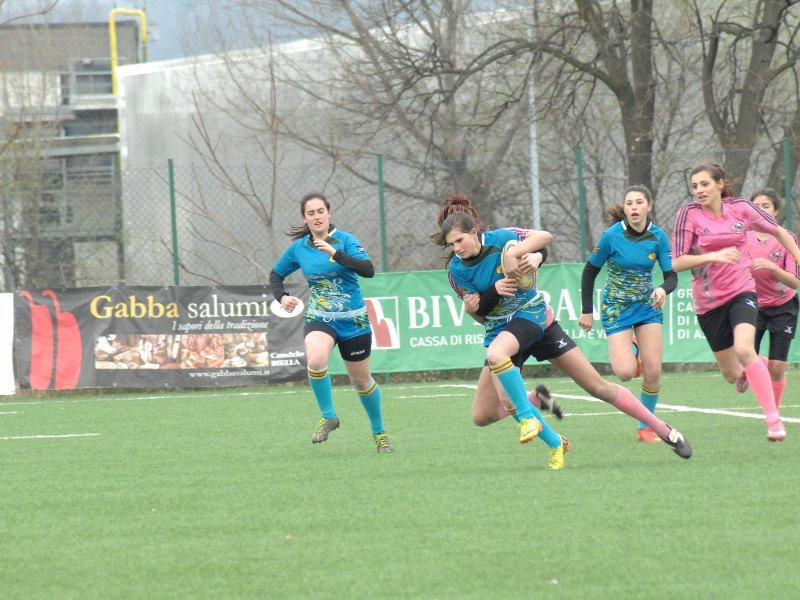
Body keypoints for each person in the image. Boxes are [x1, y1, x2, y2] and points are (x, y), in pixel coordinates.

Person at [434, 194, 692, 470]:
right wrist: (473, 306)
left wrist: (525, 255)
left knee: (599, 388)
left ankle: (664, 430)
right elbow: (480, 315)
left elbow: (543, 237)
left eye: (460, 241)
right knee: (483, 415)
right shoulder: (457, 272)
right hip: (501, 328)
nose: (457, 248)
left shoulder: (503, 238)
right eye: (451, 244)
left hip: (533, 320)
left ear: (474, 232)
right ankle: (542, 417)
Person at [672, 163, 800, 442]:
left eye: (705, 184)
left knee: (744, 347)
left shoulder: (741, 208)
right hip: (708, 302)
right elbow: (677, 261)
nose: (699, 191)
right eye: (695, 186)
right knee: (732, 374)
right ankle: (756, 367)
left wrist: (799, 258)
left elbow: (779, 231)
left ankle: (773, 421)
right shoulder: (689, 215)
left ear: (720, 184)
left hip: (742, 290)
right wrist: (712, 257)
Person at [270, 192, 393, 452]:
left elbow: (368, 270)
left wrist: (336, 254)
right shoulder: (299, 248)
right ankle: (329, 416)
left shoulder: (345, 241)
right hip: (321, 318)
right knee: (315, 359)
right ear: (305, 218)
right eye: (311, 213)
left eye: (320, 211)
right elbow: (276, 274)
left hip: (354, 321)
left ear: (329, 214)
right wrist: (281, 297)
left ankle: (379, 433)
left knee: (361, 381)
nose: (316, 216)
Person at [579, 186, 677, 443]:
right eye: (629, 203)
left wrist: (663, 289)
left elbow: (671, 276)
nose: (633, 207)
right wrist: (586, 311)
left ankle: (645, 427)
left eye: (638, 202)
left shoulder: (658, 237)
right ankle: (634, 346)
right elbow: (590, 271)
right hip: (616, 307)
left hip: (647, 307)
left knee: (654, 371)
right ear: (625, 209)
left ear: (649, 206)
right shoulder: (612, 235)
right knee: (624, 372)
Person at [747, 188, 800, 412]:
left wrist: (771, 267)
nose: (760, 210)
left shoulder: (786, 238)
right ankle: (747, 372)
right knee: (743, 357)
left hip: (783, 307)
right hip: (752, 305)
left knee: (777, 367)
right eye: (755, 207)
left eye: (766, 206)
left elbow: (794, 282)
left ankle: (773, 414)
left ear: (775, 212)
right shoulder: (742, 236)